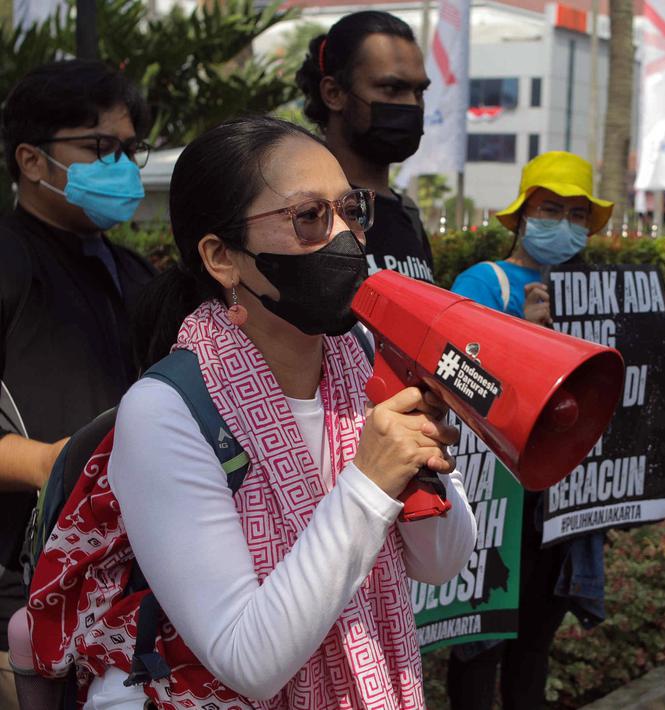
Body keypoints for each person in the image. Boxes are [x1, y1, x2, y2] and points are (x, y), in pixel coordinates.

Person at [46, 116, 477, 708]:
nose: (345, 238)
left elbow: (440, 562)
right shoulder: (166, 411)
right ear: (223, 258)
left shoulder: (365, 361)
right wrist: (371, 481)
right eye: (309, 218)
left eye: (351, 210)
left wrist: (422, 466)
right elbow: (248, 661)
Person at [445, 151, 665, 710]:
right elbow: (460, 380)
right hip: (497, 506)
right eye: (551, 209)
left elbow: (627, 399)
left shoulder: (598, 296)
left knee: (534, 644)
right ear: (522, 214)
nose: (565, 224)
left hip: (563, 508)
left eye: (578, 214)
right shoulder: (485, 282)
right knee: (479, 648)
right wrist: (523, 337)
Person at [0, 60, 154, 705]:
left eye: (127, 149)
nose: (119, 165)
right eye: (97, 148)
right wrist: (54, 465)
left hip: (121, 605)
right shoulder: (8, 257)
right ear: (32, 160)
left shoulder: (135, 273)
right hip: (20, 600)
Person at [296, 10, 436, 282]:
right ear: (333, 94)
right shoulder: (305, 211)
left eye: (418, 92)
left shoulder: (408, 217)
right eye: (391, 89)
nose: (411, 104)